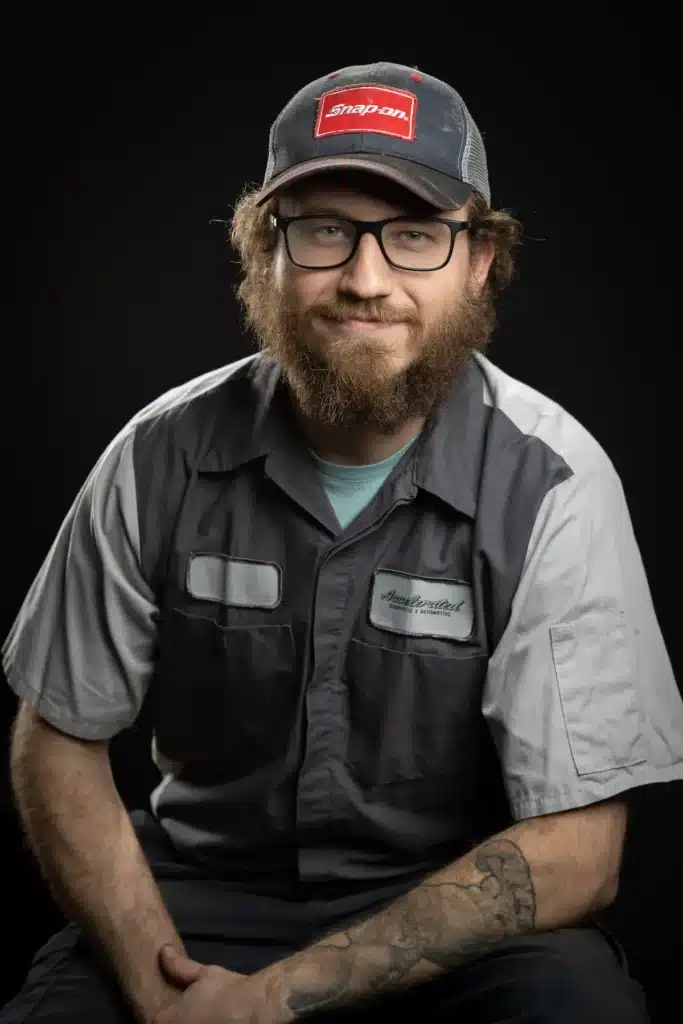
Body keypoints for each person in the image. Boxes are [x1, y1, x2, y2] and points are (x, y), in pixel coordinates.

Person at [2, 61, 681, 1024]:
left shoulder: (554, 486)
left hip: (453, 926)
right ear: (264, 253)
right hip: (192, 910)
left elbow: (580, 849)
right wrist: (164, 993)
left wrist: (276, 1000)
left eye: (413, 237)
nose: (366, 282)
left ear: (478, 262)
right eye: (324, 231)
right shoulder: (156, 456)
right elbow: (60, 740)